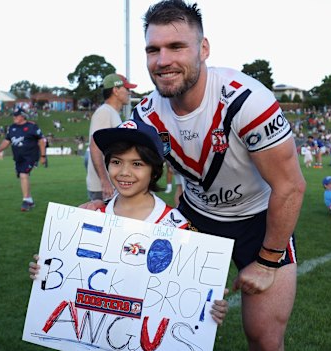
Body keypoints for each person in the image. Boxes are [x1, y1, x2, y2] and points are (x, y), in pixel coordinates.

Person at [84, 2, 306, 349]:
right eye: (153, 50)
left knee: (264, 337)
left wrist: (266, 262)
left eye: (176, 47)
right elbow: (118, 159)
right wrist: (101, 208)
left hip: (259, 218)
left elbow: (290, 187)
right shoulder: (146, 113)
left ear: (203, 49)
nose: (162, 60)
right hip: (195, 217)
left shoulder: (247, 101)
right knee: (165, 326)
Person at [30, 119, 229, 325]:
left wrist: (210, 303)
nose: (124, 172)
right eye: (116, 162)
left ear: (154, 169)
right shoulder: (90, 216)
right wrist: (45, 270)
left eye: (137, 164)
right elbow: (66, 278)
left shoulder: (179, 227)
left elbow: (191, 295)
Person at [86, 73, 137, 202]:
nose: (129, 93)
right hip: (103, 187)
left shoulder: (112, 113)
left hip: (110, 183)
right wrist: (104, 181)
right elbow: (95, 146)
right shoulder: (104, 112)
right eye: (127, 89)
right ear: (115, 90)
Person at [0, 107, 46, 211]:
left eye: (16, 115)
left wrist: (43, 156)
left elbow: (41, 141)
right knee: (23, 176)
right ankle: (30, 200)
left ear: (22, 116)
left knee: (24, 175)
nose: (14, 117)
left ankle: (26, 201)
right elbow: (7, 141)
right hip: (18, 158)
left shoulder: (32, 126)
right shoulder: (12, 128)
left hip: (30, 156)